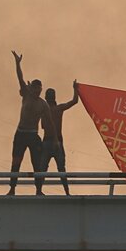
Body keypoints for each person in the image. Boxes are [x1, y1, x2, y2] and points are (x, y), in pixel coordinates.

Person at [8, 51, 56, 196]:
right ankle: (12, 188)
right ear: (32, 89)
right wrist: (17, 63)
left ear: (41, 89)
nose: (38, 92)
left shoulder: (43, 105)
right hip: (21, 133)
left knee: (37, 165)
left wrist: (54, 140)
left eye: (39, 89)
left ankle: (39, 190)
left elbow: (50, 123)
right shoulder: (27, 95)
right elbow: (20, 78)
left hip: (33, 135)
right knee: (16, 162)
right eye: (35, 89)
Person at [40, 80, 79, 195]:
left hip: (49, 141)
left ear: (46, 98)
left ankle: (39, 190)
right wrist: (75, 89)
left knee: (43, 168)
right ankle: (67, 192)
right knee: (60, 169)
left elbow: (74, 102)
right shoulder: (58, 109)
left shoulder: (45, 109)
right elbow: (74, 101)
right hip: (55, 141)